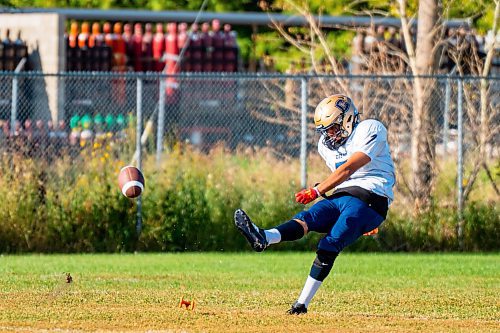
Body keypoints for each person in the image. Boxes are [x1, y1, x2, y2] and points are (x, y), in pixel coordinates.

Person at [234, 94, 395, 315]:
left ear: (347, 119)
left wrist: (318, 190)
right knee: (306, 219)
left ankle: (301, 304)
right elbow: (343, 177)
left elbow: (349, 169)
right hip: (343, 195)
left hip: (370, 198)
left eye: (332, 128)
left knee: (328, 245)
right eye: (325, 130)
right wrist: (325, 190)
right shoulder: (325, 146)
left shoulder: (370, 128)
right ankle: (264, 237)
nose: (329, 135)